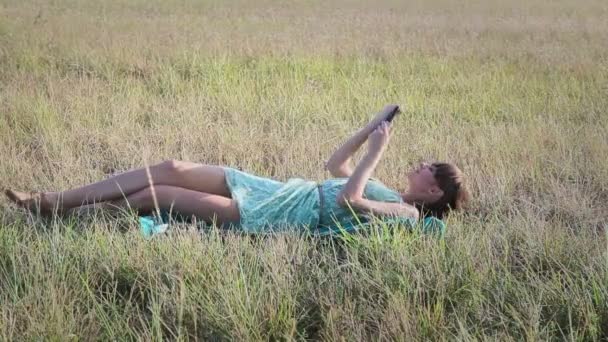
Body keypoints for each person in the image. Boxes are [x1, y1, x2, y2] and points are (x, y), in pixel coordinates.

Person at [5, 105, 469, 236]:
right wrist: (370, 128)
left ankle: (67, 216)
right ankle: (52, 200)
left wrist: (375, 155)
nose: (424, 164)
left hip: (282, 217)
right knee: (172, 166)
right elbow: (335, 168)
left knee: (157, 196)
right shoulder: (392, 191)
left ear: (432, 195)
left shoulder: (409, 217)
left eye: (433, 171)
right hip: (283, 191)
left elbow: (349, 198)